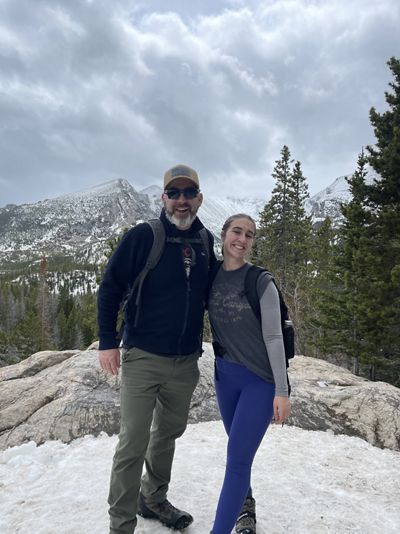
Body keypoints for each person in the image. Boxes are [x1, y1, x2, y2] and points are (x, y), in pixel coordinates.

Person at [97, 164, 216, 534]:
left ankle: (152, 497)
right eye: (174, 193)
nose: (181, 201)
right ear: (163, 198)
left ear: (199, 198)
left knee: (168, 433)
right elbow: (110, 286)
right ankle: (121, 525)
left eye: (188, 193)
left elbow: (213, 295)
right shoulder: (144, 236)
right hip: (143, 356)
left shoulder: (205, 241)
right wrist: (107, 342)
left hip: (185, 362)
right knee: (133, 441)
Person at [207, 213, 291, 534]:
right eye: (237, 232)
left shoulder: (260, 282)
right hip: (225, 378)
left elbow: (273, 337)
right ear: (225, 234)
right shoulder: (211, 275)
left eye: (250, 235)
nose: (242, 239)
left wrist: (282, 391)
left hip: (259, 382)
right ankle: (246, 506)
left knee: (237, 463)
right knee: (237, 451)